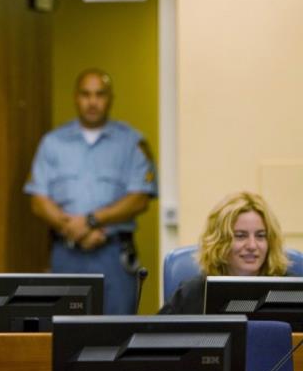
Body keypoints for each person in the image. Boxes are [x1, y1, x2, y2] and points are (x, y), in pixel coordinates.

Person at [24, 68, 157, 314]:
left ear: (111, 98)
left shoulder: (131, 142)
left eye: (100, 94)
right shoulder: (53, 142)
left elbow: (140, 198)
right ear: (76, 97)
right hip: (66, 252)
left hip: (114, 254)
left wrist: (91, 220)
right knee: (63, 330)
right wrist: (73, 230)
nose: (92, 101)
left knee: (116, 331)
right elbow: (38, 200)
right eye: (86, 94)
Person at [159, 191, 289, 314]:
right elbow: (156, 330)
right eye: (240, 236)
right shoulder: (192, 293)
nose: (252, 245)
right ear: (219, 242)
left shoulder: (288, 289)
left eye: (260, 236)